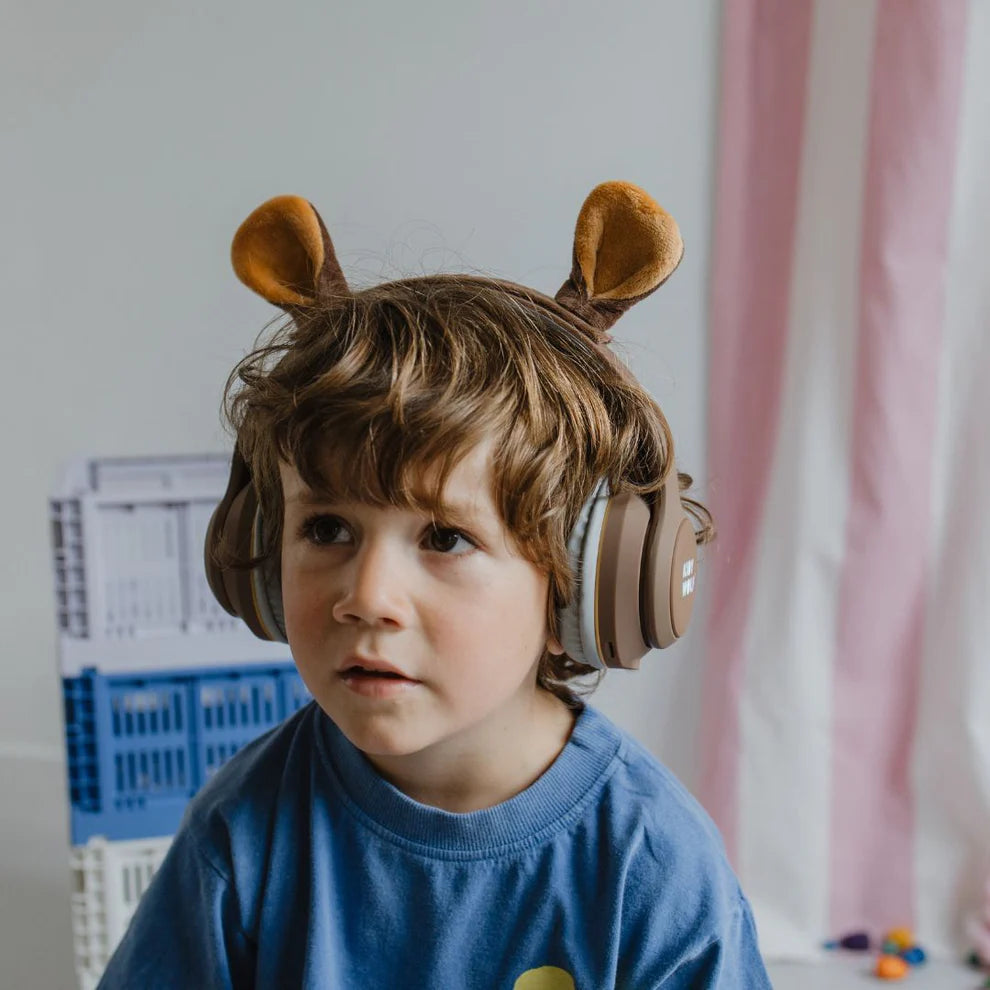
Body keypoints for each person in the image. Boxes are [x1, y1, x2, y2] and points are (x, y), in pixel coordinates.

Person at [97, 182, 771, 988]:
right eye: (327, 529)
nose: (366, 596)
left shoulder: (653, 866)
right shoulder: (242, 832)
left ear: (583, 584)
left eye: (445, 537)